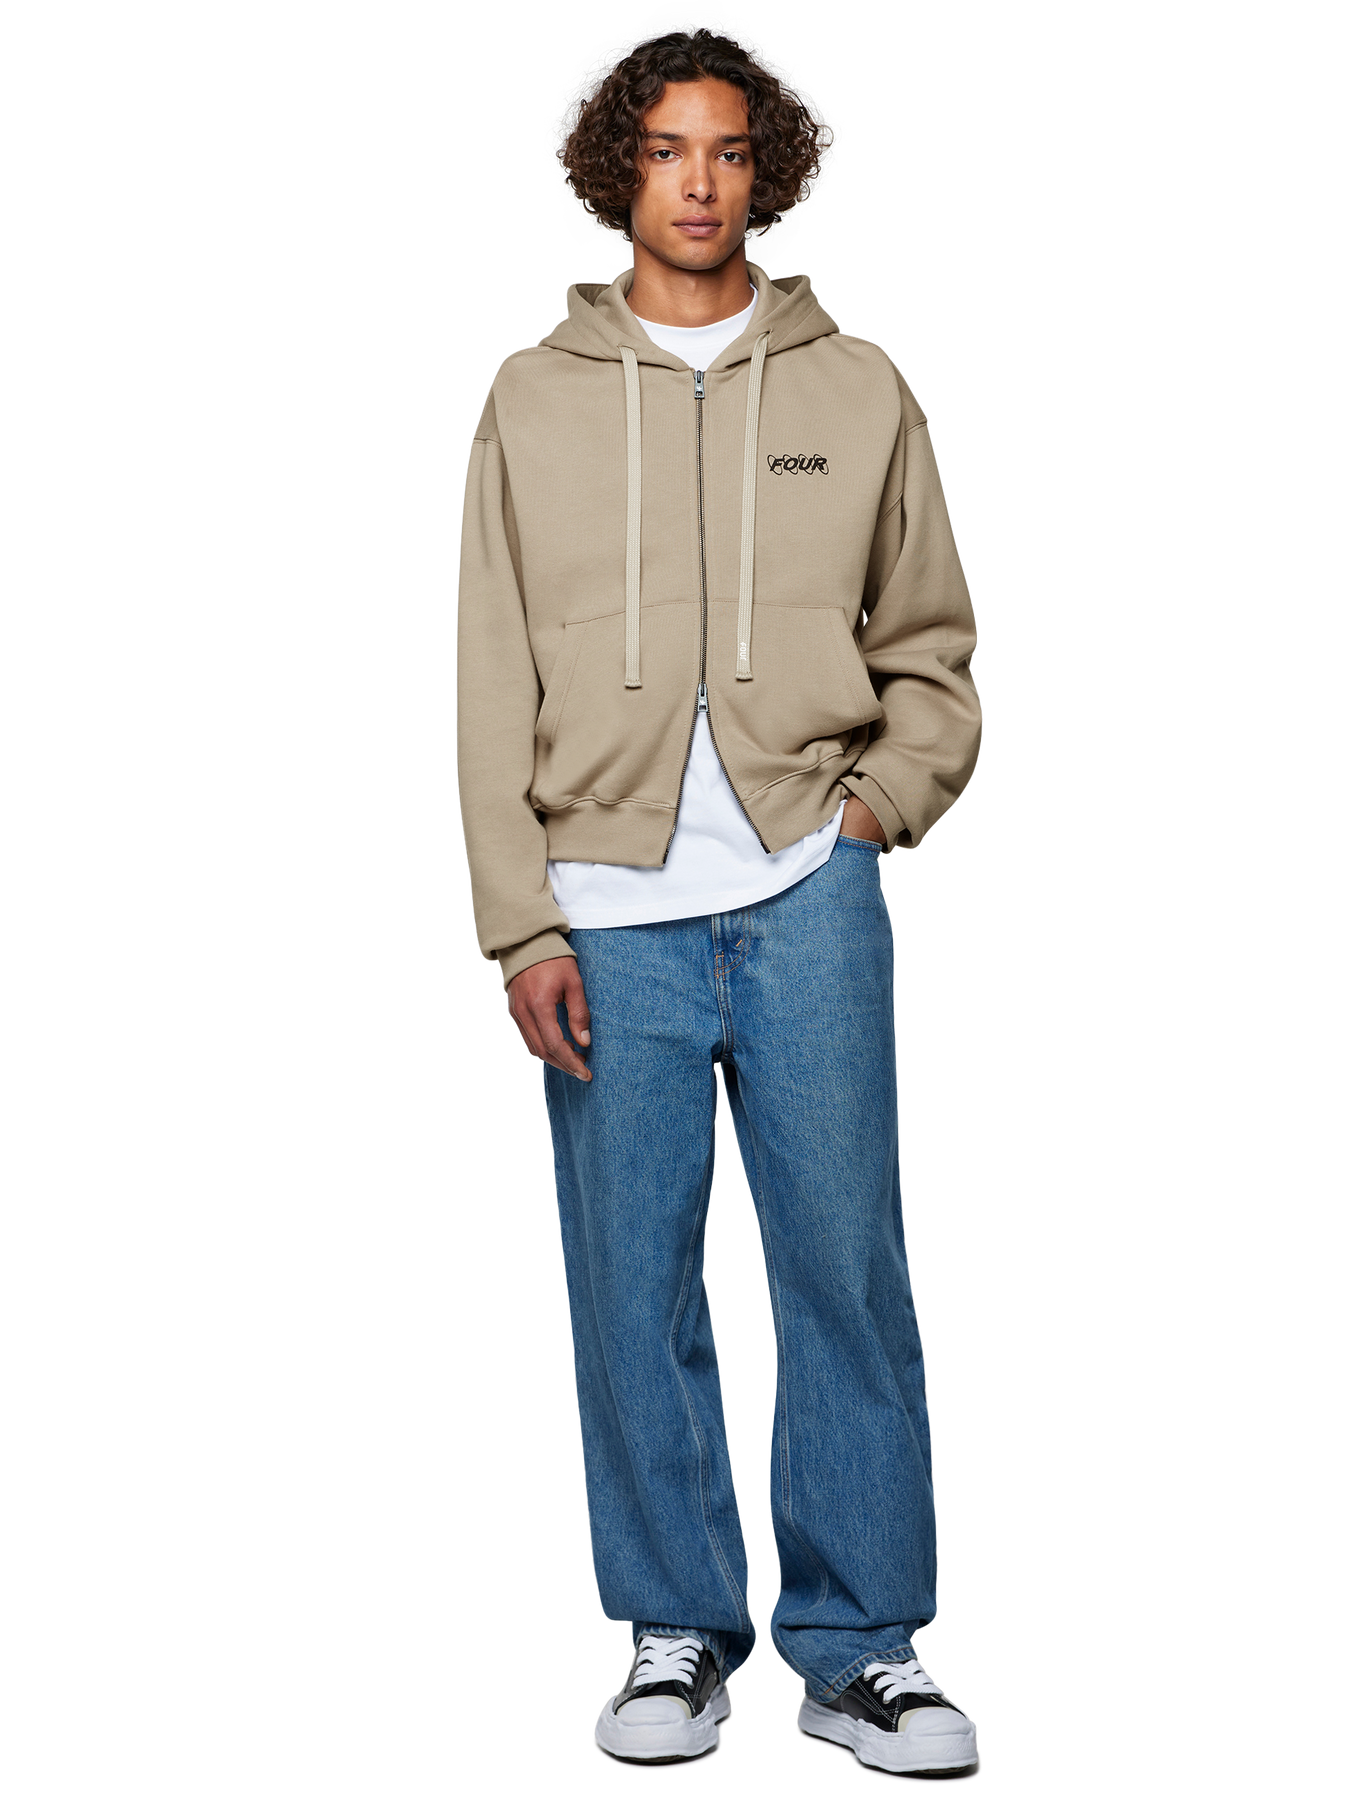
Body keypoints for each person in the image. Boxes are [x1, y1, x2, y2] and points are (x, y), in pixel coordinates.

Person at [454, 27, 984, 1782]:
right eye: (668, 148)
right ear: (618, 168)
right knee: (632, 1279)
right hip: (603, 908)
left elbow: (936, 651)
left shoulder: (860, 387)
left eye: (731, 150)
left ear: (773, 170)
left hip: (806, 881)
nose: (699, 181)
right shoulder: (531, 395)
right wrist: (521, 924)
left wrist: (872, 814)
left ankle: (862, 1649)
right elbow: (486, 681)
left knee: (843, 1267)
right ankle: (673, 1631)